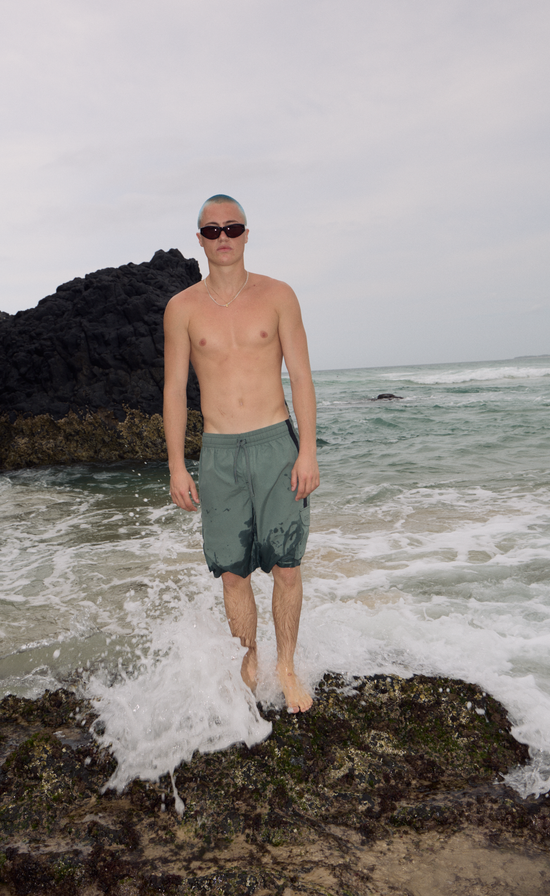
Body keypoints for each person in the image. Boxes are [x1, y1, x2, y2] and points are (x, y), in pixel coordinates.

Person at [163, 194, 319, 713]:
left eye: (232, 228)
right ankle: (249, 661)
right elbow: (173, 390)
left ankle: (287, 666)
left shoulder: (278, 295)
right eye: (212, 230)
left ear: (247, 233)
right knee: (233, 572)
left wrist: (308, 451)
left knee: (287, 565)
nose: (223, 237)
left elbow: (301, 377)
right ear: (200, 239)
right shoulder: (182, 308)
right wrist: (177, 465)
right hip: (219, 452)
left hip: (276, 445)